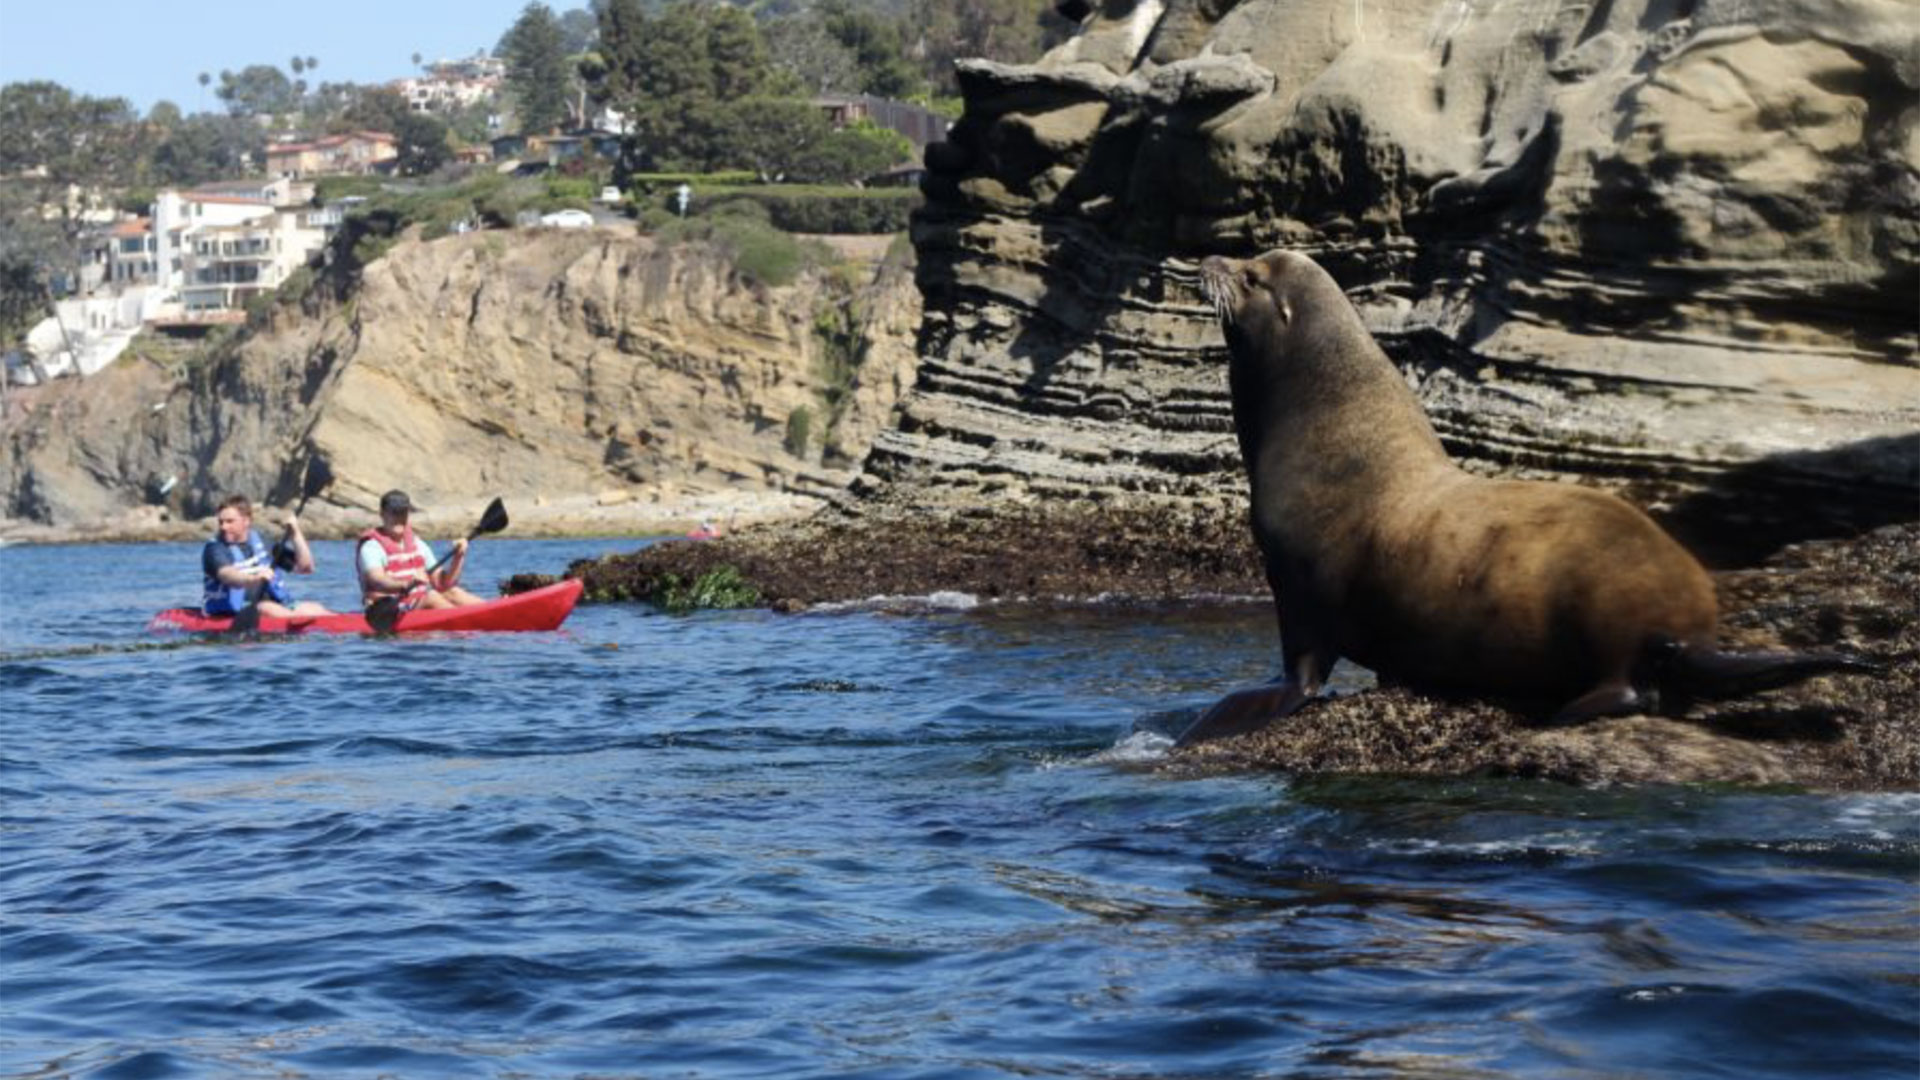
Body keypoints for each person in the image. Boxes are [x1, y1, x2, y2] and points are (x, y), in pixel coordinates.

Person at [202, 495, 332, 619]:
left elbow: (306, 568)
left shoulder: (263, 543)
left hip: (274, 605)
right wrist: (253, 579)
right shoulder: (215, 549)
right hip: (237, 611)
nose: (223, 527)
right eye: (221, 522)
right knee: (268, 609)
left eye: (230, 521)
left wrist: (295, 534)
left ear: (246, 521)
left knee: (316, 608)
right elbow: (227, 575)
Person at [356, 489, 484, 610]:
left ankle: (491, 609)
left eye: (402, 512)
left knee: (452, 592)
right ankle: (470, 620)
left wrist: (458, 557)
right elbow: (377, 580)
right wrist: (406, 584)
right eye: (394, 512)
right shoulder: (372, 547)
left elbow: (442, 584)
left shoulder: (418, 544)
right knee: (431, 597)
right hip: (386, 610)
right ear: (382, 514)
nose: (399, 518)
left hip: (414, 604)